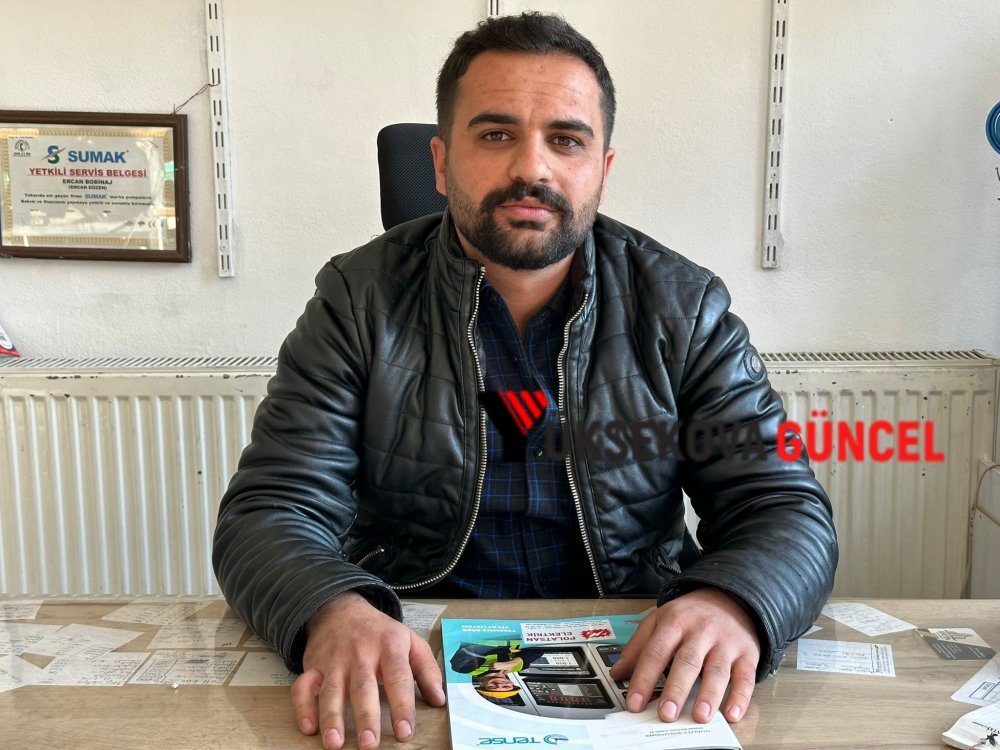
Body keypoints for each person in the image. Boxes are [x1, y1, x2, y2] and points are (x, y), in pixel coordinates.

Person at [213, 11, 838, 750]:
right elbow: (271, 508)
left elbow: (783, 504)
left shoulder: (682, 307)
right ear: (441, 162)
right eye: (495, 134)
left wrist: (732, 602)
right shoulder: (359, 300)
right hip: (410, 660)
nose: (531, 169)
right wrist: (333, 608)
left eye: (566, 140)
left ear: (601, 169)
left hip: (637, 661)